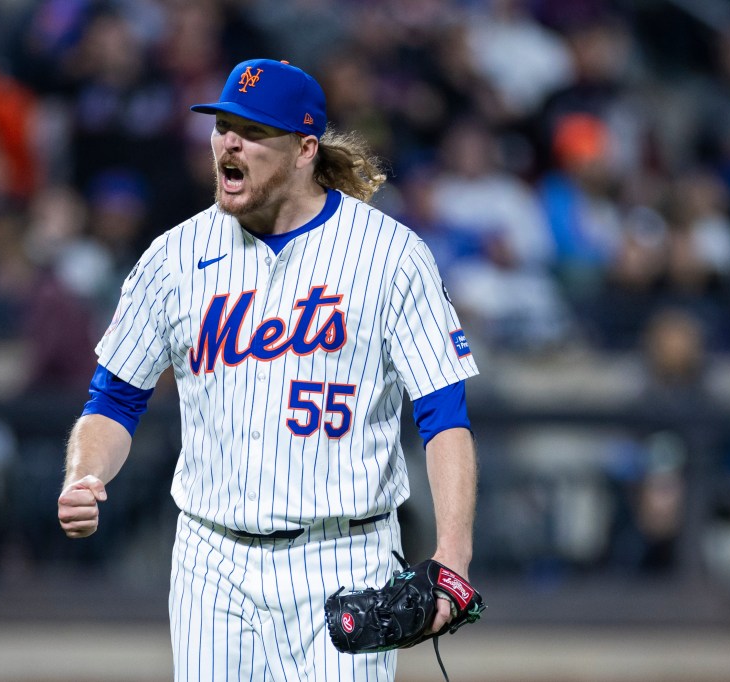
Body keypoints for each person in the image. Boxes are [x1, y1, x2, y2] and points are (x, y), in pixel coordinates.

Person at [56, 58, 480, 681]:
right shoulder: (175, 257)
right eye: (222, 125)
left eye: (253, 132)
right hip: (212, 558)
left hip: (347, 555)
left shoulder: (390, 255)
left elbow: (443, 414)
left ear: (306, 149)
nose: (229, 142)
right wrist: (84, 473)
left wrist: (454, 554)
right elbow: (115, 398)